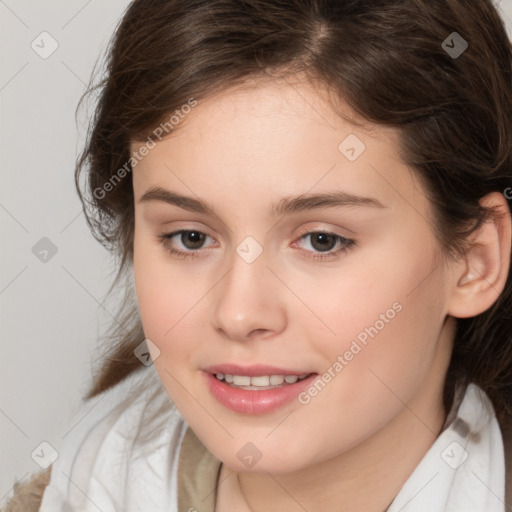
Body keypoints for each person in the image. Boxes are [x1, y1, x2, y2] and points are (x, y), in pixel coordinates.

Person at [3, 0, 512, 510]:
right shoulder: (82, 481)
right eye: (191, 237)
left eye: (321, 240)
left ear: (474, 260)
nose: (239, 314)